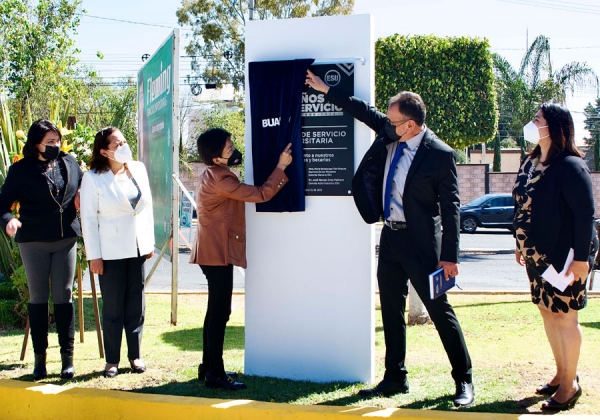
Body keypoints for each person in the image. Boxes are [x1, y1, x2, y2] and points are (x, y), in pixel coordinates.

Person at [305, 70, 474, 407]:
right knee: (391, 310)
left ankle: (464, 380)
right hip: (391, 239)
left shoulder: (440, 154)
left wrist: (450, 257)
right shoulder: (391, 131)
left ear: (410, 125)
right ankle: (395, 377)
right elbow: (365, 111)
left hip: (425, 246)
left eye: (394, 120)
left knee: (440, 311)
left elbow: (451, 207)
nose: (387, 123)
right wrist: (326, 89)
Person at [190, 128, 292, 390]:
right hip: (216, 253)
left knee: (215, 312)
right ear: (216, 158)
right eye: (228, 147)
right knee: (220, 313)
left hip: (211, 251)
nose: (233, 148)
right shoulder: (221, 178)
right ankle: (216, 373)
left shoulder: (213, 174)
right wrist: (281, 166)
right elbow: (260, 194)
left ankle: (208, 366)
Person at [513, 103, 596, 411]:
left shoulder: (570, 166)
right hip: (535, 253)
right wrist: (518, 243)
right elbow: (521, 205)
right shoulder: (531, 161)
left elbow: (585, 214)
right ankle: (561, 374)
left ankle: (570, 385)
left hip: (565, 256)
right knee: (547, 311)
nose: (531, 124)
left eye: (537, 120)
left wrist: (581, 260)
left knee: (565, 316)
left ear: (555, 127)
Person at [0, 119, 83, 380]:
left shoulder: (69, 163)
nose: (55, 146)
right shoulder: (20, 170)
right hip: (33, 241)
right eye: (49, 142)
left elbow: (83, 190)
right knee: (38, 299)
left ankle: (67, 359)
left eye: (57, 141)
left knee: (64, 296)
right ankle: (40, 361)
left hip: (65, 239)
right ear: (36, 143)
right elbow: (2, 204)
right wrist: (9, 220)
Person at [80, 127, 155, 378]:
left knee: (136, 304)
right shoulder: (93, 177)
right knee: (113, 307)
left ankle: (135, 356)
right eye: (117, 143)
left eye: (124, 141)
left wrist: (148, 242)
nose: (124, 146)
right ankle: (112, 360)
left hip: (136, 248)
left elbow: (146, 208)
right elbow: (89, 219)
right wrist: (94, 256)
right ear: (104, 151)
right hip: (109, 252)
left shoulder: (138, 169)